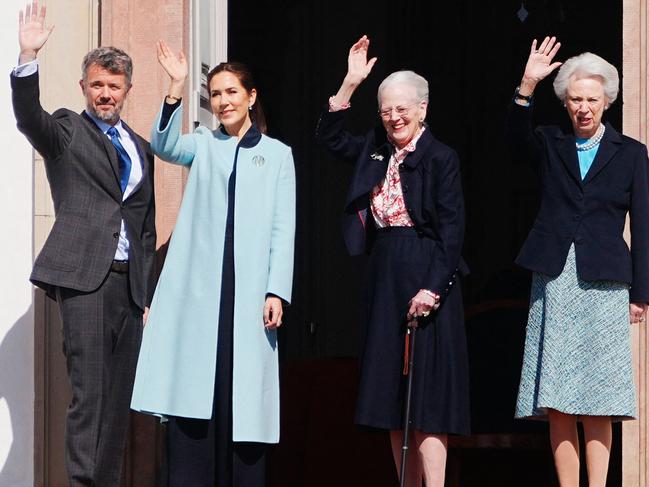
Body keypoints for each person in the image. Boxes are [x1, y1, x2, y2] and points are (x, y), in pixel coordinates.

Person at [130, 40, 295, 487]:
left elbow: (284, 227)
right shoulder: (203, 144)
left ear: (251, 96)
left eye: (231, 93)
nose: (222, 102)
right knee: (196, 393)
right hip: (202, 293)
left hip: (251, 294)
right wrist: (175, 86)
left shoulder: (278, 155)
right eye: (215, 94)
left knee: (242, 401)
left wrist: (276, 288)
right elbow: (163, 145)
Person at [11, 2, 156, 485]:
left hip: (128, 292)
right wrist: (27, 56)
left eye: (114, 86)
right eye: (97, 85)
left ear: (127, 91)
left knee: (118, 404)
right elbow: (30, 117)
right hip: (84, 282)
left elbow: (145, 225)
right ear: (83, 87)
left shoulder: (139, 147)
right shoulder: (68, 130)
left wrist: (146, 296)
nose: (105, 94)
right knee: (89, 397)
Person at [316, 35, 470, 487]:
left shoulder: (441, 158)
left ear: (423, 108)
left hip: (428, 273)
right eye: (385, 109)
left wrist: (432, 288)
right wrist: (349, 83)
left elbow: (453, 231)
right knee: (389, 394)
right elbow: (328, 137)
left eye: (402, 108)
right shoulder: (375, 148)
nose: (394, 117)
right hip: (384, 272)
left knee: (428, 398)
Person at [509, 36, 649, 487]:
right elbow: (512, 142)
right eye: (574, 99)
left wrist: (642, 293)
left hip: (606, 280)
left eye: (591, 99)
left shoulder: (631, 153)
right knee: (559, 396)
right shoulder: (551, 143)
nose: (583, 107)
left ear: (607, 100)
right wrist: (527, 85)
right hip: (556, 278)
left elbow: (644, 224)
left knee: (599, 395)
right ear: (565, 104)